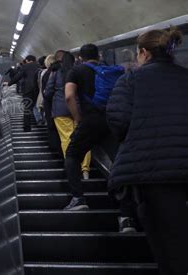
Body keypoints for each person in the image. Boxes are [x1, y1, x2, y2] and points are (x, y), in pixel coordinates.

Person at [106, 28, 188, 275]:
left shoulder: (131, 80)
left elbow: (118, 121)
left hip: (153, 173)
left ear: (143, 53)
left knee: (167, 244)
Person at [63, 43, 123, 210]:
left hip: (89, 120)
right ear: (99, 56)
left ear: (80, 58)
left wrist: (77, 118)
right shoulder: (111, 70)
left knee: (72, 156)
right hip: (112, 121)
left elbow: (69, 96)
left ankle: (78, 198)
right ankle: (126, 214)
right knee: (118, 161)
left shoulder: (76, 71)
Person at [45, 52, 91, 179]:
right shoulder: (79, 71)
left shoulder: (55, 72)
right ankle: (85, 168)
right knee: (84, 139)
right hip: (79, 109)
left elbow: (48, 92)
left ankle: (72, 167)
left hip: (60, 110)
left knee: (66, 139)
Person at [8, 55, 40, 132]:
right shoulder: (39, 66)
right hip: (38, 89)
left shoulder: (25, 66)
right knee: (39, 106)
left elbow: (18, 76)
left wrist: (9, 83)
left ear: (28, 60)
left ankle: (27, 128)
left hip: (28, 89)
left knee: (27, 108)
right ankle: (40, 122)